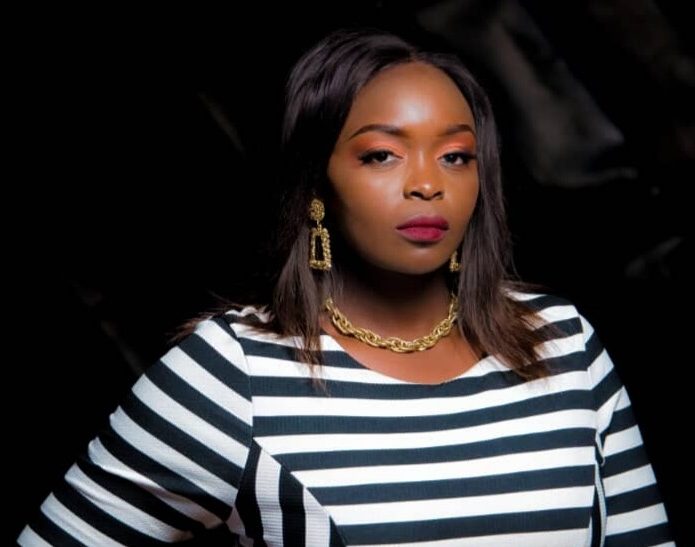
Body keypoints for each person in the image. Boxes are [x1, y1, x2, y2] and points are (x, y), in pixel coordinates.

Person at [19, 27, 673, 546]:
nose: (427, 183)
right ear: (317, 183)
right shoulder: (233, 374)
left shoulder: (562, 342)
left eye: (455, 156)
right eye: (381, 154)